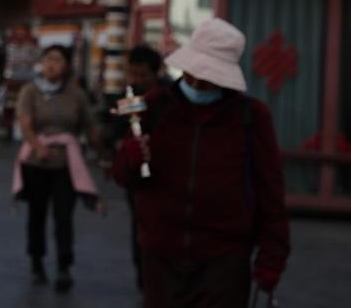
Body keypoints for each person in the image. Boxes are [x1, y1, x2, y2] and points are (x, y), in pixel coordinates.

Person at [113, 18, 289, 308]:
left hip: (224, 262)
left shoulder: (252, 117)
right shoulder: (155, 105)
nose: (195, 82)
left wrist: (272, 259)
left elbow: (271, 193)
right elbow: (123, 176)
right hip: (161, 258)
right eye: (192, 72)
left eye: (207, 77)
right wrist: (130, 159)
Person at [12, 45, 102, 293]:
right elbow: (25, 122)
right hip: (36, 163)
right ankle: (37, 261)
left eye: (57, 60)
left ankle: (64, 265)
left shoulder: (76, 94)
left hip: (66, 164)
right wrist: (37, 146)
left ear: (66, 65)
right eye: (48, 59)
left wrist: (104, 154)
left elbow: (89, 125)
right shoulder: (30, 91)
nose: (51, 65)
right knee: (37, 214)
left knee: (64, 216)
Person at [117, 44, 170, 291]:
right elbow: (119, 126)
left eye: (142, 75)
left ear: (155, 73)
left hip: (165, 171)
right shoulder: (129, 96)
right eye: (132, 74)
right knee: (139, 224)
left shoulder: (169, 96)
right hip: (137, 173)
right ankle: (143, 277)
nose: (136, 80)